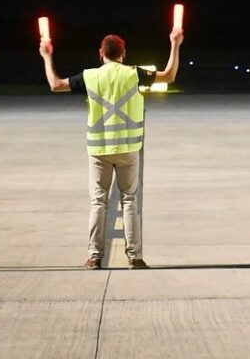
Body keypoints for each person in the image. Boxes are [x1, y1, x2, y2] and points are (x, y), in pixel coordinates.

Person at [39, 27, 184, 270]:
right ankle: (134, 256)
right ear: (123, 54)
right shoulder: (134, 74)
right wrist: (175, 43)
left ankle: (94, 256)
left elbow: (55, 85)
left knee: (98, 202)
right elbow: (168, 76)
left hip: (99, 149)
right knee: (130, 201)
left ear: (100, 53)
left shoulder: (90, 76)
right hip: (128, 149)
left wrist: (46, 56)